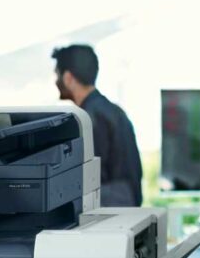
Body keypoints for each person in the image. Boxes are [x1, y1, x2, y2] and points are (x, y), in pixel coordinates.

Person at [52, 44, 143, 207]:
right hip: (126, 208)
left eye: (57, 75)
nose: (55, 82)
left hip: (108, 214)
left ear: (68, 78)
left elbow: (92, 177)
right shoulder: (113, 111)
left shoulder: (87, 119)